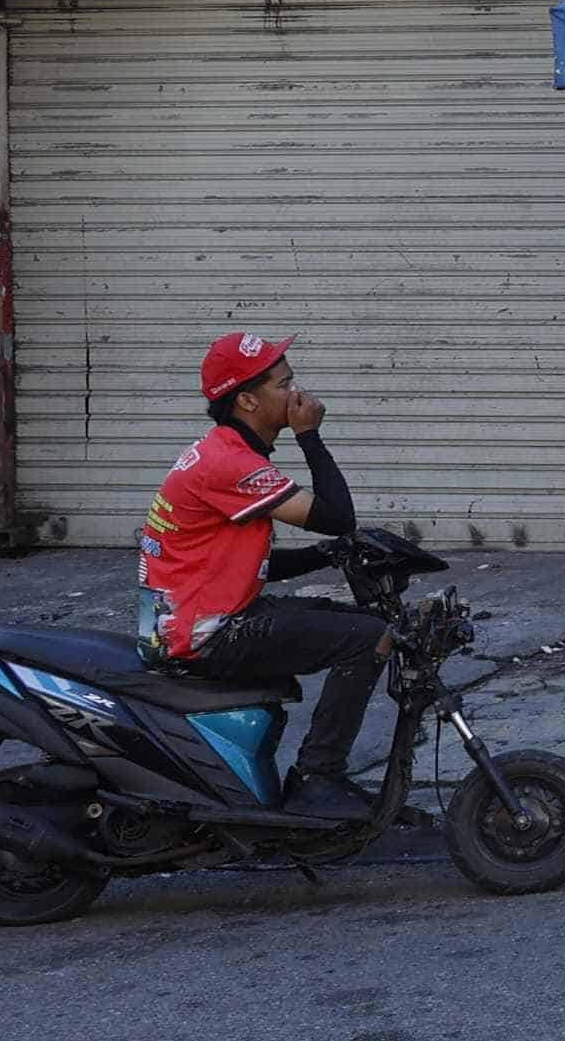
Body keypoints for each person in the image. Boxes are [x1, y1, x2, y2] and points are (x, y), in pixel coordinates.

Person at [135, 333, 387, 822]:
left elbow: (242, 565)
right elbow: (337, 515)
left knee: (351, 620)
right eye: (284, 384)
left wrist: (327, 556)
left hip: (195, 619)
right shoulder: (230, 464)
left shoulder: (220, 451)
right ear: (247, 400)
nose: (297, 395)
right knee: (370, 637)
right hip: (206, 635)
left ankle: (322, 776)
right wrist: (309, 434)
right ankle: (319, 777)